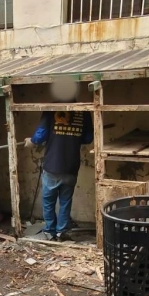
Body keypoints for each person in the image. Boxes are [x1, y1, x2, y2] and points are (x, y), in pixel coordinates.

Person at [24, 82, 93, 241]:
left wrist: (31, 141)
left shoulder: (51, 109)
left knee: (48, 202)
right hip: (71, 166)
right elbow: (88, 138)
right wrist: (71, 137)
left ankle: (50, 231)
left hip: (52, 166)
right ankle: (62, 232)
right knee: (65, 202)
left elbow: (40, 135)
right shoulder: (83, 111)